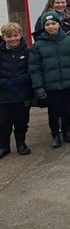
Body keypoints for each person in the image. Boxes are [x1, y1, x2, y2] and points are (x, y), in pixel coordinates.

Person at [29, 11, 70, 148]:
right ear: (44, 27)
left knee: (67, 111)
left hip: (67, 84)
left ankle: (67, 132)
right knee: (53, 113)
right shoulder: (38, 45)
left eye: (53, 23)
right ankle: (55, 135)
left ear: (59, 24)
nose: (50, 27)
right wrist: (38, 86)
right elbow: (34, 68)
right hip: (50, 86)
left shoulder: (69, 42)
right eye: (47, 24)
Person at [0, 22, 33, 157]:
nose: (13, 38)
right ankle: (4, 146)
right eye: (9, 36)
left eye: (16, 35)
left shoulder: (28, 52)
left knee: (21, 121)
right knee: (3, 123)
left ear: (20, 35)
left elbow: (33, 71)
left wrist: (23, 79)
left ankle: (21, 144)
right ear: (3, 37)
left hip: (22, 93)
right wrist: (5, 83)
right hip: (3, 95)